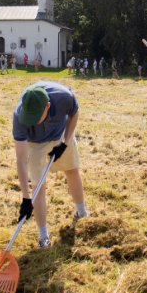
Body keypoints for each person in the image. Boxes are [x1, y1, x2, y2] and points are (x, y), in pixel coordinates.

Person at [13, 81, 88, 248]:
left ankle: (82, 214)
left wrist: (64, 143)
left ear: (47, 106)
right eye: (28, 117)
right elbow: (22, 158)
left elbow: (74, 114)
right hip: (35, 143)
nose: (30, 121)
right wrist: (26, 199)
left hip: (60, 133)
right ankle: (43, 237)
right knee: (38, 186)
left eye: (35, 118)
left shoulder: (65, 97)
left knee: (72, 170)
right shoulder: (19, 116)